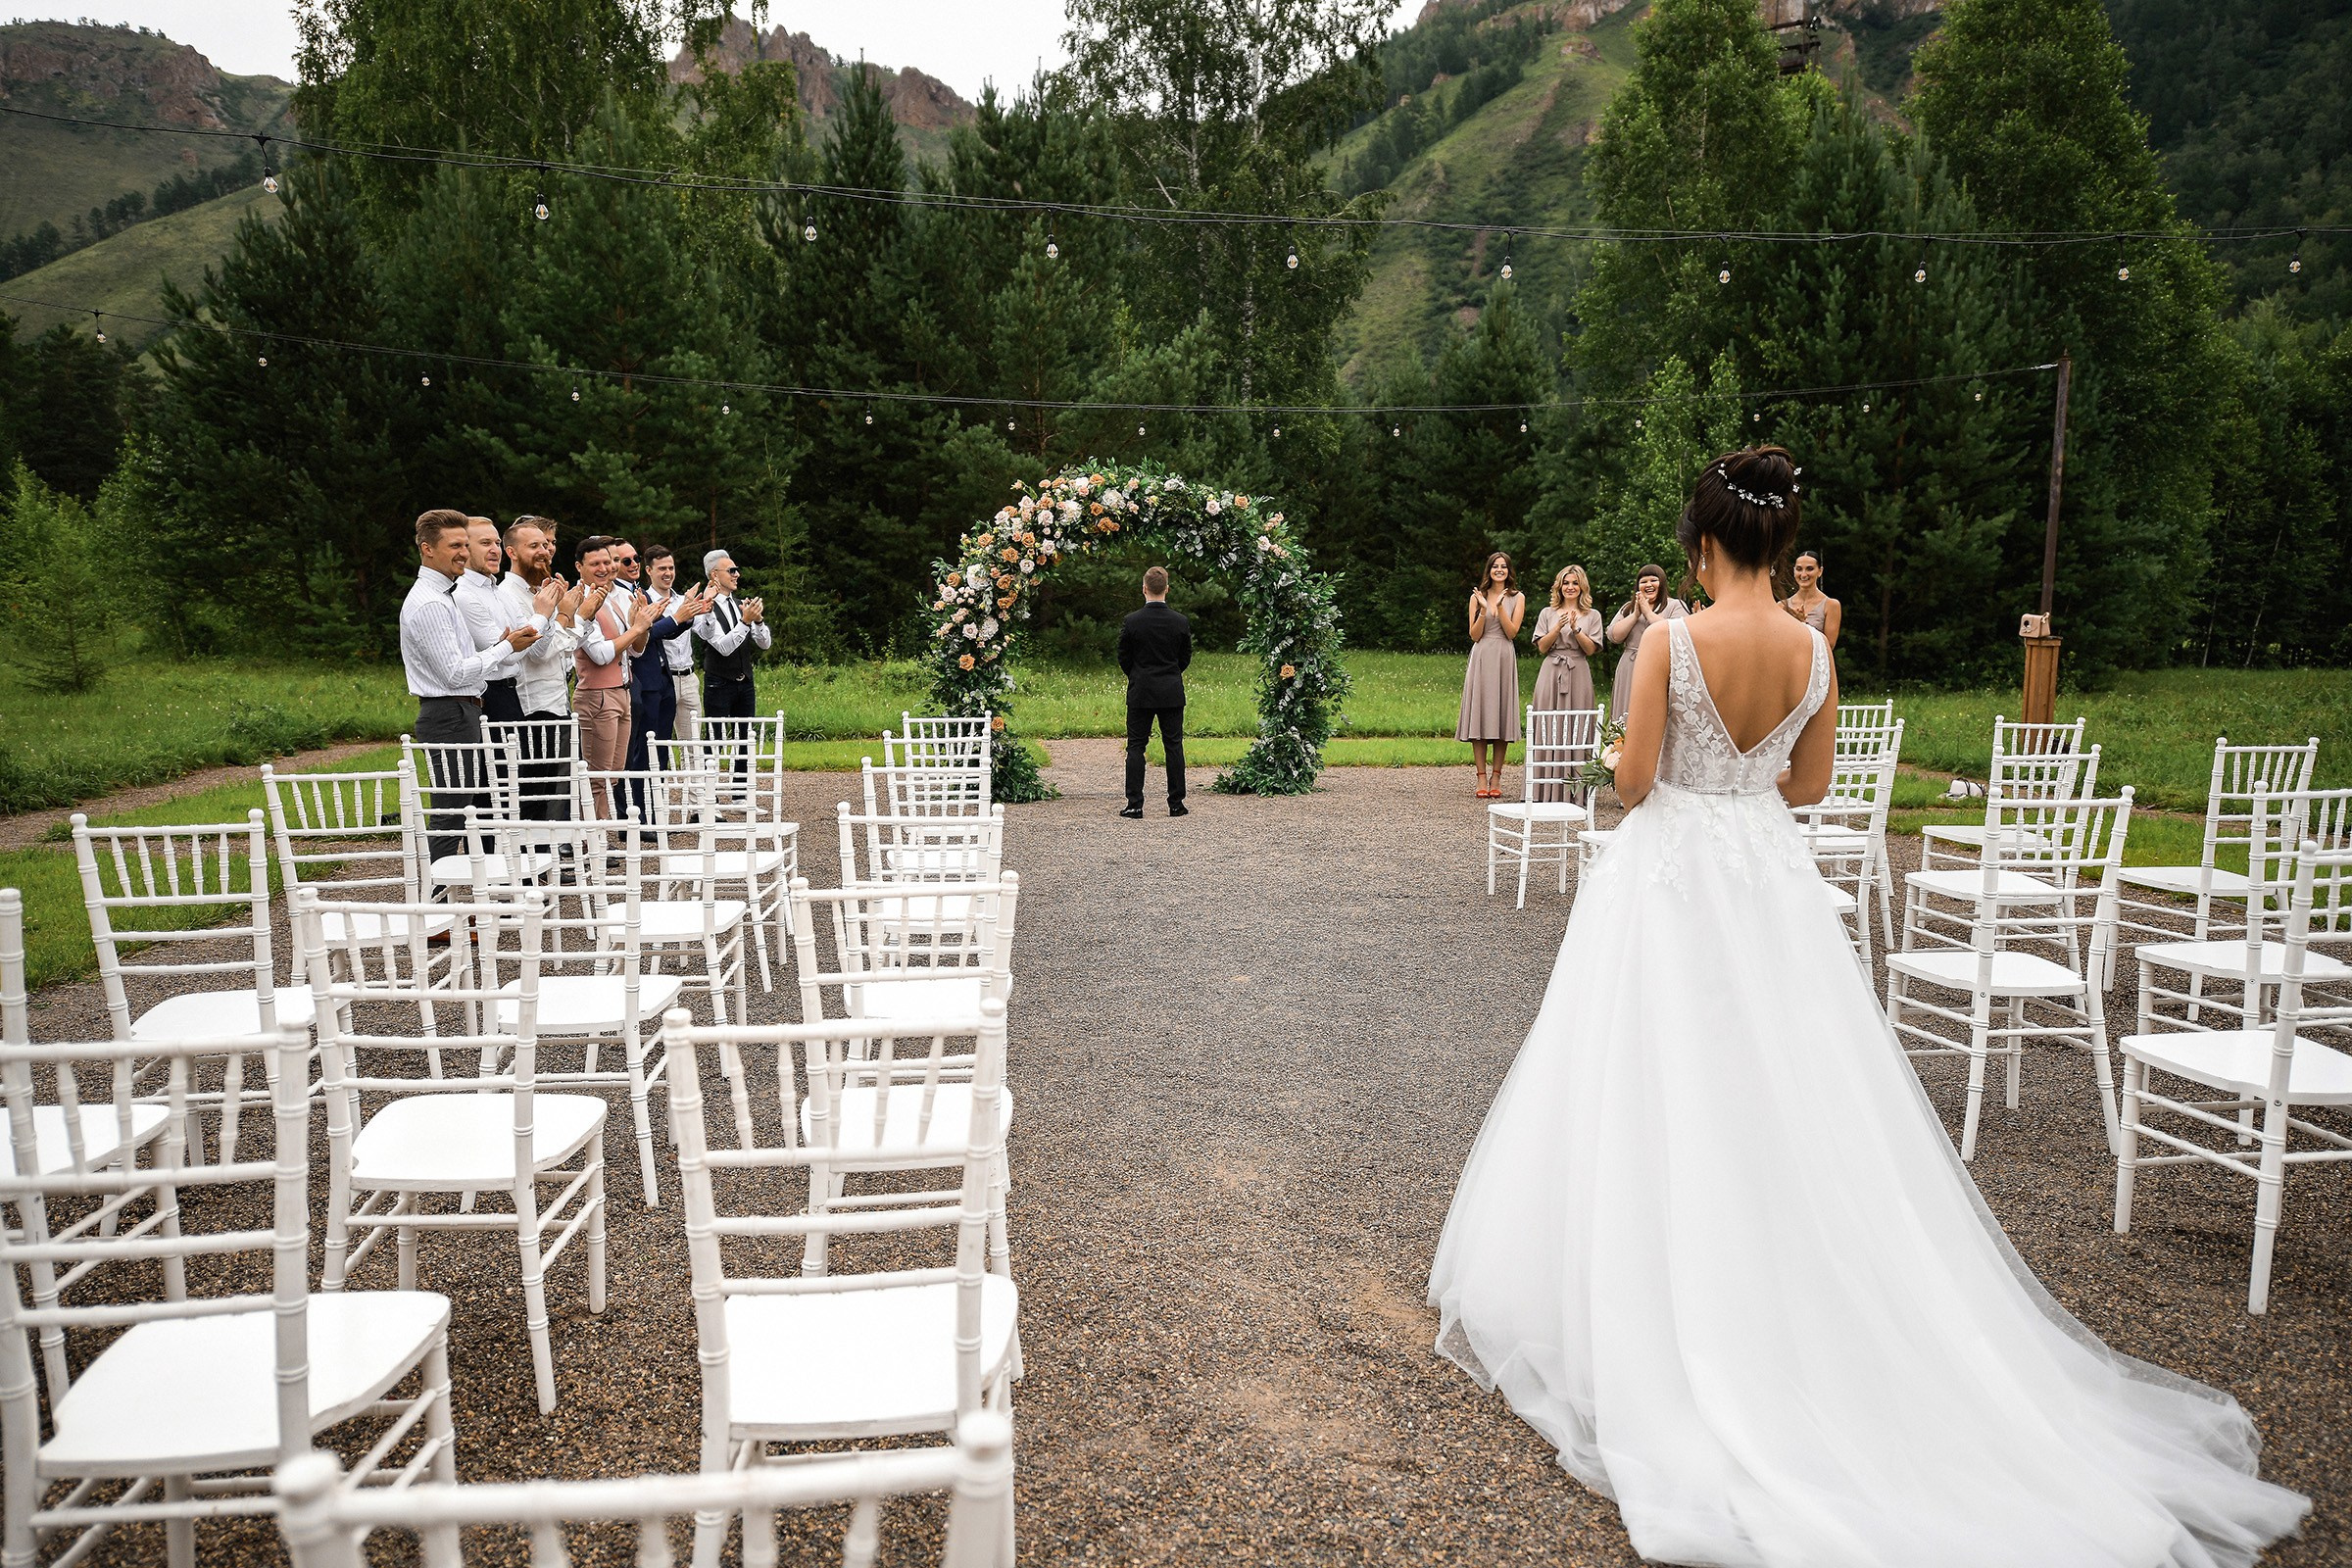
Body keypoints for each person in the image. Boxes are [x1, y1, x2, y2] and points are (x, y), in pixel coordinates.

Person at [1427, 447, 2308, 1568]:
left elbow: (1638, 781)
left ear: (1701, 543)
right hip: (1766, 878)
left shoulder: (1672, 641)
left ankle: (1655, 1302)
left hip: (1671, 878)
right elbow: (1807, 787)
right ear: (1769, 538)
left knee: (1650, 1078)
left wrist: (1615, 756)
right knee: (1788, 1089)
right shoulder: (1811, 648)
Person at [400, 509, 540, 867]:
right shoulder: (430, 602)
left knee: (471, 808)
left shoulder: (443, 594)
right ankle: (439, 910)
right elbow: (454, 674)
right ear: (427, 549)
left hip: (463, 710)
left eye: (465, 544)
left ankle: (469, 903)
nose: (463, 552)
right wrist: (507, 647)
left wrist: (503, 648)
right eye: (455, 545)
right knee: (451, 814)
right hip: (448, 712)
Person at [499, 515, 587, 820]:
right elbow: (537, 651)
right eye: (534, 546)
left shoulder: (540, 591)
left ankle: (557, 850)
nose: (544, 551)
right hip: (535, 705)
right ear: (511, 552)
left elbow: (565, 649)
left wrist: (566, 613)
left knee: (562, 786)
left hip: (556, 699)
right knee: (539, 791)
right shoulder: (509, 595)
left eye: (546, 546)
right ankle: (543, 853)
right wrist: (563, 614)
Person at [570, 535, 665, 813]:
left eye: (608, 561)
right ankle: (593, 839)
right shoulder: (582, 601)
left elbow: (635, 651)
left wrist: (640, 624)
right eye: (595, 563)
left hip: (623, 690)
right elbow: (600, 655)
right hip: (597, 695)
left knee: (614, 772)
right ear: (580, 567)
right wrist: (636, 629)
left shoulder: (610, 599)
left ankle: (600, 833)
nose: (605, 568)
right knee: (597, 776)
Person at [623, 545, 713, 785]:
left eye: (671, 568)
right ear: (649, 571)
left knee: (693, 742)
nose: (668, 573)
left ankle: (698, 805)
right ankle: (655, 803)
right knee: (656, 745)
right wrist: (682, 615)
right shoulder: (643, 599)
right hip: (662, 679)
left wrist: (704, 611)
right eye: (662, 568)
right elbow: (651, 633)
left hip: (688, 677)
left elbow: (704, 633)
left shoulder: (684, 599)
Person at [1117, 565, 1192, 819]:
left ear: (1144, 588)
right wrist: (1170, 674)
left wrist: (1138, 675)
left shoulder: (1132, 621)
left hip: (1141, 690)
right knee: (1173, 745)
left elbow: (1123, 657)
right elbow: (1185, 658)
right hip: (1171, 690)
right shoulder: (1180, 621)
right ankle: (1176, 803)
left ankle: (1135, 803)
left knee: (1136, 746)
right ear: (1167, 589)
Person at [1455, 551, 1525, 799]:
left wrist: (1500, 608)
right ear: (1489, 570)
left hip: (1504, 655)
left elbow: (1512, 632)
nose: (1499, 570)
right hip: (1482, 655)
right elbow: (1474, 635)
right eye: (1495, 566)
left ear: (1509, 571)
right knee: (1481, 715)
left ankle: (1497, 776)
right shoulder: (1477, 597)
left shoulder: (1518, 597)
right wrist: (1485, 609)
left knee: (1501, 715)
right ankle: (1481, 777)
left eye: (1503, 566)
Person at [692, 550, 771, 755]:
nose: (737, 574)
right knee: (714, 738)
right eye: (732, 570)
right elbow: (723, 647)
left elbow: (765, 644)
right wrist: (745, 621)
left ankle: (742, 785)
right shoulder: (702, 608)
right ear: (714, 575)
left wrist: (758, 620)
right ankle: (712, 784)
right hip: (718, 682)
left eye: (737, 570)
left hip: (745, 682)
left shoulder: (738, 605)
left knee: (746, 739)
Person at [1604, 563, 1687, 723]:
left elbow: (1675, 632)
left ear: (1661, 583)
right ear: (1638, 586)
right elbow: (1614, 636)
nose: (1648, 585)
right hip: (1630, 665)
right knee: (1626, 713)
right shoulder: (1628, 608)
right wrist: (1635, 614)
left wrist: (1647, 612)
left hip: (1659, 664)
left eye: (1653, 580)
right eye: (1643, 582)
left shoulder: (1675, 605)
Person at [1532, 564, 1601, 714]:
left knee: (1579, 714)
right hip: (1551, 669)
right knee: (1548, 714)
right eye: (1566, 583)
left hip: (1578, 670)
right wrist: (1557, 627)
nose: (1570, 587)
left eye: (1575, 583)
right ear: (1559, 586)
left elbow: (1590, 650)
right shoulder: (1547, 613)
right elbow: (1542, 648)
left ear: (1582, 586)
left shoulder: (1593, 615)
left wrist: (1576, 629)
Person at [1781, 548, 1842, 648]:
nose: (1804, 574)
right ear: (1794, 571)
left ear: (1820, 571)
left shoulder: (1831, 605)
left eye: (1810, 569)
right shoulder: (1781, 606)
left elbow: (1829, 646)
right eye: (1799, 569)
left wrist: (1803, 624)